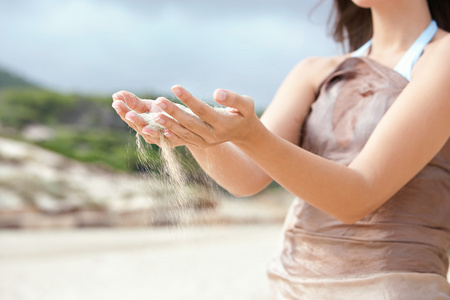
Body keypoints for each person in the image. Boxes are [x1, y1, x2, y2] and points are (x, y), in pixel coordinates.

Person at [112, 0, 450, 298]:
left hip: (391, 287)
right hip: (292, 283)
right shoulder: (315, 71)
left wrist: (252, 135)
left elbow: (358, 197)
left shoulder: (443, 57)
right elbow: (245, 178)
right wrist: (195, 133)